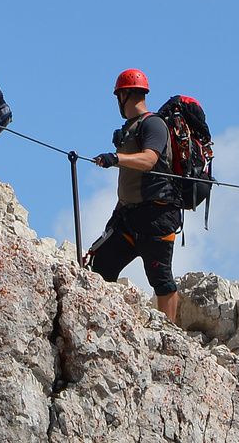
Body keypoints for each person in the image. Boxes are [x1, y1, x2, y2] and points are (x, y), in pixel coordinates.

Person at [88, 69, 182, 321]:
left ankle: (170, 336)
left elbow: (149, 159)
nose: (117, 101)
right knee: (100, 266)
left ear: (125, 94)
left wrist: (115, 158)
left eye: (118, 95)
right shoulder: (130, 128)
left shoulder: (153, 124)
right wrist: (118, 210)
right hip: (129, 215)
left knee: (161, 278)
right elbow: (132, 178)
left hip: (157, 214)